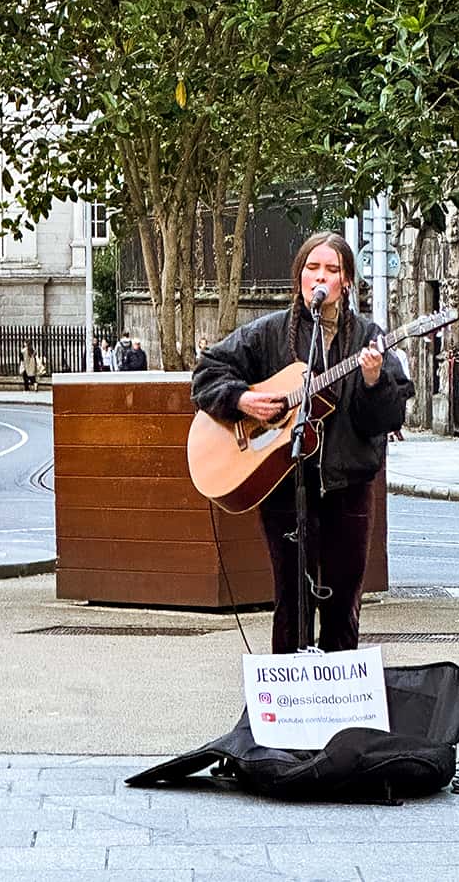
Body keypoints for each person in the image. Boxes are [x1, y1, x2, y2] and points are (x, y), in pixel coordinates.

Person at [193, 231, 412, 654]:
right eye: (313, 268)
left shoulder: (369, 336)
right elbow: (207, 373)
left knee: (343, 604)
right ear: (299, 277)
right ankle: (290, 705)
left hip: (348, 488)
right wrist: (242, 400)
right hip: (284, 488)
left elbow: (387, 418)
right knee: (291, 603)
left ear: (346, 281)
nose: (321, 278)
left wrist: (373, 381)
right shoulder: (269, 333)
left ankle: (339, 703)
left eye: (332, 270)